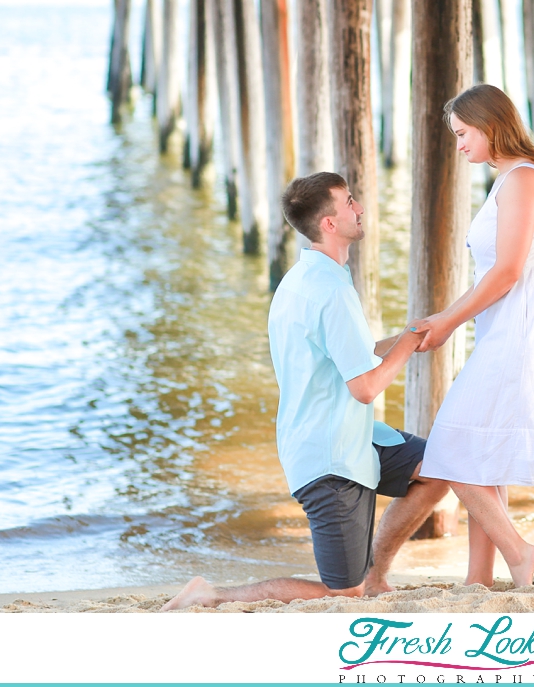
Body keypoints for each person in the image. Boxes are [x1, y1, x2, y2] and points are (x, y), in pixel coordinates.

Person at [162, 172, 448, 610]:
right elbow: (366, 387)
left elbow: (353, 354)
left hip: (349, 436)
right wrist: (410, 340)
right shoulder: (330, 290)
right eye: (350, 201)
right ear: (330, 224)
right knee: (341, 594)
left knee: (440, 466)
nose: (360, 208)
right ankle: (212, 596)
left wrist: (408, 336)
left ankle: (375, 575)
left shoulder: (300, 280)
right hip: (329, 459)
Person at [414, 83, 534, 588]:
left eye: (463, 133)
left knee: (451, 449)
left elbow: (506, 272)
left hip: (521, 335)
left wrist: (446, 321)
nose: (459, 144)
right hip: (504, 332)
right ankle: (478, 578)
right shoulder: (507, 180)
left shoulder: (523, 181)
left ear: (489, 125)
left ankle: (519, 552)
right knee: (479, 453)